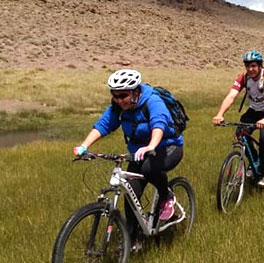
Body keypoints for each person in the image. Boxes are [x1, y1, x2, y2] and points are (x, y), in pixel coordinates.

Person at [73, 69, 184, 249]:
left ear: (134, 91)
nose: (118, 100)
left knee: (149, 169)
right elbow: (104, 124)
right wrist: (84, 146)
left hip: (168, 147)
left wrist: (151, 146)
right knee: (131, 193)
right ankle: (133, 239)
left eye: (122, 95)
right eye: (114, 95)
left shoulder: (152, 101)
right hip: (139, 152)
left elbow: (159, 124)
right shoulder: (118, 106)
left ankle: (166, 196)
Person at [212, 50, 264, 187]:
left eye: (254, 66)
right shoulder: (244, 78)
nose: (251, 69)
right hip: (254, 110)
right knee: (240, 133)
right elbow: (231, 96)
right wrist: (220, 114)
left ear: (260, 65)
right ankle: (255, 161)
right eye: (248, 66)